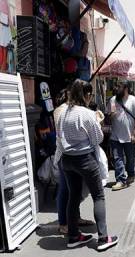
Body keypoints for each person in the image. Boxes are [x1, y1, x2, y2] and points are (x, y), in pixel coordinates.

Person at [57, 79, 118, 251]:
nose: (90, 97)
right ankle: (103, 238)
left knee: (73, 197)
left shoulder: (63, 113)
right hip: (84, 159)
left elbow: (60, 138)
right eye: (90, 94)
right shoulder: (86, 113)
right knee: (98, 196)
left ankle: (74, 236)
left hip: (67, 159)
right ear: (86, 95)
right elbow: (98, 138)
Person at [54, 86, 94, 235]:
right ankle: (63, 223)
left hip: (72, 154)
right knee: (65, 189)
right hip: (64, 154)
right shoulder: (61, 110)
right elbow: (62, 133)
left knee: (74, 190)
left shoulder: (73, 110)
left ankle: (75, 218)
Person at [106, 83, 135, 191]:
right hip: (115, 135)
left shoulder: (134, 101)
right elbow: (108, 117)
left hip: (129, 135)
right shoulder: (113, 100)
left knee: (130, 158)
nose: (117, 89)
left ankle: (131, 174)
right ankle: (120, 180)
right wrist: (110, 115)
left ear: (126, 89)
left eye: (120, 88)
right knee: (118, 158)